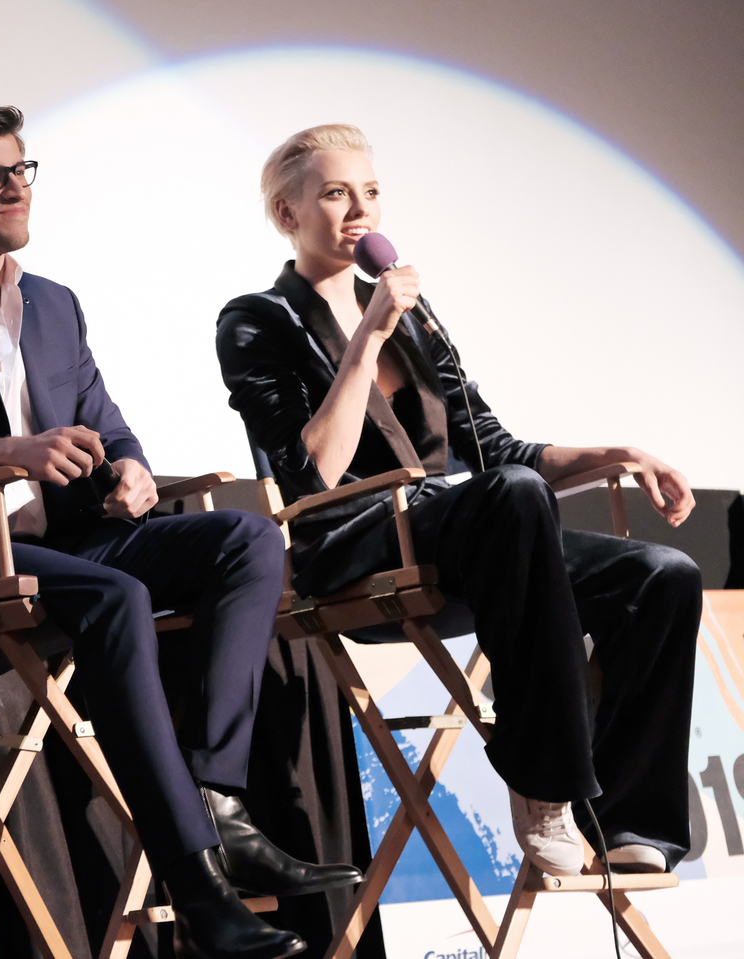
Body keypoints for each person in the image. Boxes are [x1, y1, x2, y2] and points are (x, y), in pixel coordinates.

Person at [0, 103, 362, 959]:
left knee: (248, 540)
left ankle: (218, 794)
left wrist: (130, 471)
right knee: (116, 596)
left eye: (20, 170)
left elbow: (108, 424)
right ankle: (201, 888)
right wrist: (8, 451)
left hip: (65, 540)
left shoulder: (55, 305)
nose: (14, 187)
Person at [216, 123, 700, 878]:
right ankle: (544, 784)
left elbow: (496, 450)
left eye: (370, 192)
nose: (359, 212)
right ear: (287, 214)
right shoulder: (257, 320)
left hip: (474, 536)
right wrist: (367, 336)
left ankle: (632, 818)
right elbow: (312, 474)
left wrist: (622, 453)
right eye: (336, 193)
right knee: (509, 497)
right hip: (351, 544)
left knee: (661, 574)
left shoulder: (415, 318)